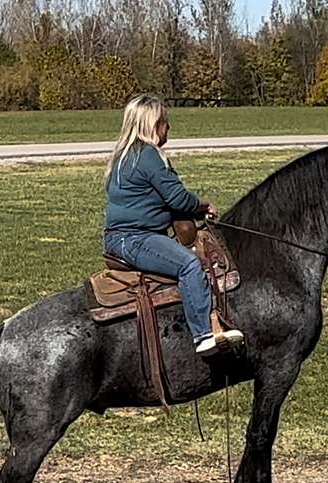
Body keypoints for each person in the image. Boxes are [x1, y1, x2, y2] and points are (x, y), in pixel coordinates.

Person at [103, 94, 244, 356]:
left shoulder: (124, 155)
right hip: (135, 238)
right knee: (189, 264)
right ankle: (204, 336)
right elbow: (178, 199)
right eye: (165, 122)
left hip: (121, 237)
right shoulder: (148, 156)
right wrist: (203, 207)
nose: (169, 127)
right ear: (153, 125)